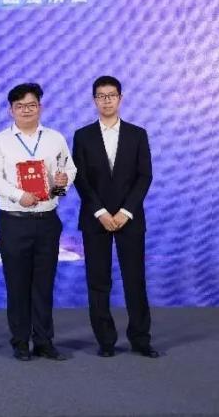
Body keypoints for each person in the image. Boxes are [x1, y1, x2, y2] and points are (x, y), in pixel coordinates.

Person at [0, 82, 76, 361]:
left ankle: (44, 341)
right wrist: (18, 195)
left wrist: (62, 184)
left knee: (44, 284)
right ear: (11, 110)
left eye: (31, 105)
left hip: (47, 219)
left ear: (40, 107)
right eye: (20, 106)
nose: (26, 110)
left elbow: (69, 169)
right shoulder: (0, 141)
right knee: (17, 284)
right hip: (14, 220)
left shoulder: (55, 139)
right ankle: (20, 342)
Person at [73, 76, 158, 358]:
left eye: (111, 95)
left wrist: (125, 212)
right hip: (95, 218)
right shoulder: (83, 136)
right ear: (94, 100)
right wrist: (100, 212)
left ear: (120, 98)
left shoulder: (137, 134)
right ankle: (105, 341)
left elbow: (144, 176)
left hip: (129, 218)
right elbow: (80, 179)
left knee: (135, 280)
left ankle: (141, 339)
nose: (106, 100)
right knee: (98, 282)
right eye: (101, 96)